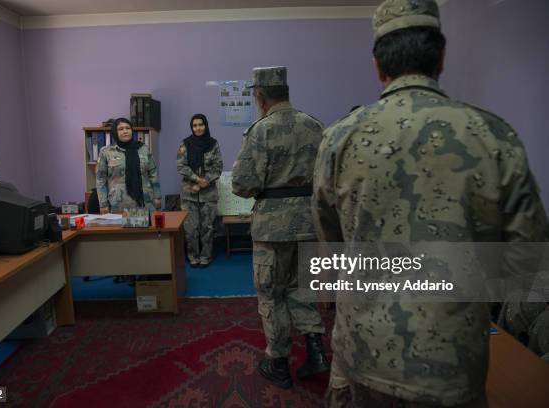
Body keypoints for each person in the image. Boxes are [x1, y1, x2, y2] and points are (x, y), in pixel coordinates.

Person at [312, 0, 549, 407]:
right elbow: (527, 260)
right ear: (442, 56)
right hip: (452, 360)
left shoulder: (339, 138)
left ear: (377, 65)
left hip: (366, 352)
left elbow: (331, 246)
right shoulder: (493, 135)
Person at [232, 66, 329, 389]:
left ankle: (279, 365)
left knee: (271, 295)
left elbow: (242, 184)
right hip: (308, 223)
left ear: (259, 96)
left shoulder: (261, 131)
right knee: (303, 289)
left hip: (272, 229)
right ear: (285, 91)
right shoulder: (315, 126)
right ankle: (316, 352)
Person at [176, 114, 224, 267]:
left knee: (207, 228)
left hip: (208, 194)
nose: (198, 128)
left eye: (201, 124)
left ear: (206, 125)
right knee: (191, 229)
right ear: (192, 127)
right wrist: (197, 180)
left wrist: (205, 181)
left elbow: (218, 167)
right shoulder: (185, 144)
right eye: (195, 125)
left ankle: (206, 257)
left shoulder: (213, 144)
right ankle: (193, 256)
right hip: (189, 194)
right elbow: (181, 166)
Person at [96, 117, 161, 214]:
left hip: (144, 202)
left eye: (128, 128)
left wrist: (157, 196)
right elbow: (100, 180)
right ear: (115, 132)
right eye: (121, 129)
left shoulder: (143, 149)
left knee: (147, 229)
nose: (125, 131)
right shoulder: (106, 152)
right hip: (118, 205)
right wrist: (103, 204)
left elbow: (153, 173)